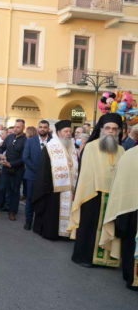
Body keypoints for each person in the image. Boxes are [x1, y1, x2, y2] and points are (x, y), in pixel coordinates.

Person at [69, 113, 125, 268]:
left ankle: (108, 259)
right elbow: (86, 173)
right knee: (89, 226)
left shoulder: (121, 150)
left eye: (114, 129)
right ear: (101, 129)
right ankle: (84, 257)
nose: (111, 131)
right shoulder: (91, 147)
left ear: (119, 131)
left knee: (111, 224)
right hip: (92, 194)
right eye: (107, 128)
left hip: (113, 196)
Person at [32, 120, 79, 240]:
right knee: (52, 211)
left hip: (70, 188)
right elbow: (44, 169)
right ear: (58, 133)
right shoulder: (50, 147)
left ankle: (66, 234)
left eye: (70, 131)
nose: (68, 134)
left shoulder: (72, 147)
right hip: (53, 188)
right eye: (65, 131)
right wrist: (46, 186)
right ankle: (52, 233)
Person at [101, 144, 138, 291]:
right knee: (130, 240)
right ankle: (131, 275)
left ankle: (129, 274)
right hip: (131, 208)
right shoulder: (129, 155)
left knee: (129, 240)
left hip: (129, 208)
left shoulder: (128, 155)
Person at [0, 119, 27, 221]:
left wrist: (11, 164)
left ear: (23, 128)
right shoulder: (9, 137)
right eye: (15, 126)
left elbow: (24, 158)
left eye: (18, 127)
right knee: (1, 189)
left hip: (17, 170)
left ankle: (12, 212)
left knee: (15, 191)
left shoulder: (26, 140)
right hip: (5, 169)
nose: (16, 129)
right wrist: (0, 154)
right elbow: (1, 148)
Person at [22, 120, 51, 230]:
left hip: (47, 177)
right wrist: (38, 171)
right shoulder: (30, 141)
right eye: (40, 127)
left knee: (43, 200)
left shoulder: (53, 142)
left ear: (48, 129)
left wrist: (44, 172)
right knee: (30, 199)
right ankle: (28, 221)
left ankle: (40, 224)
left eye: (45, 127)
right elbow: (25, 157)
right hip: (32, 176)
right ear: (38, 128)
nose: (42, 129)